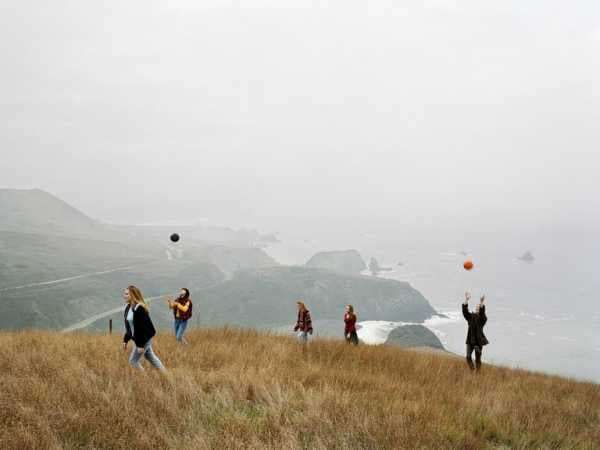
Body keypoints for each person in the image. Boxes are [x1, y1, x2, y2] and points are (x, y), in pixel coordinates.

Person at [123, 285, 165, 371]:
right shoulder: (128, 307)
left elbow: (142, 328)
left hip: (143, 339)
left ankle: (145, 378)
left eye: (127, 294)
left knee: (133, 361)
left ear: (133, 295)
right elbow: (130, 326)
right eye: (124, 294)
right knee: (150, 357)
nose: (124, 296)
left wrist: (140, 345)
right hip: (138, 338)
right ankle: (165, 374)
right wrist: (125, 340)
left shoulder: (140, 308)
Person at [462, 292, 488, 372]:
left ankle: (478, 373)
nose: (477, 308)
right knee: (468, 357)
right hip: (470, 341)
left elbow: (483, 313)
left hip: (478, 342)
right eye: (476, 307)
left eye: (479, 308)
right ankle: (472, 370)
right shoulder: (471, 317)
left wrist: (481, 303)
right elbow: (465, 312)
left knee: (478, 359)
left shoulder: (483, 319)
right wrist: (466, 300)